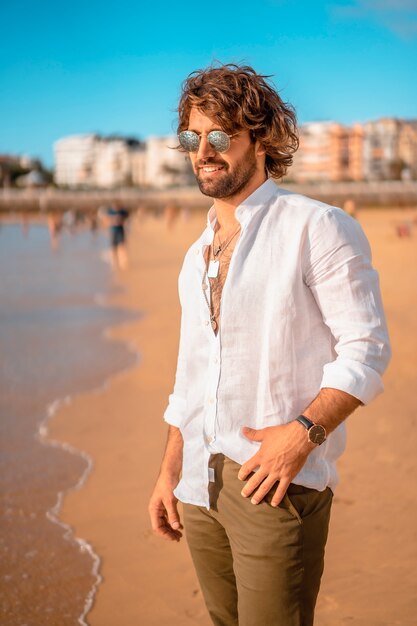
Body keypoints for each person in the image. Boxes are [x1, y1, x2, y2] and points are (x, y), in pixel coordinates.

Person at [148, 64, 391, 626]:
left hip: (274, 480)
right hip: (199, 484)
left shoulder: (317, 226)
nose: (202, 151)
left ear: (260, 137)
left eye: (219, 135)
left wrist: (301, 437)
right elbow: (192, 376)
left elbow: (367, 347)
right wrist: (169, 471)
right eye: (191, 137)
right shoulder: (196, 254)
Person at [106, 200, 129, 268]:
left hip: (120, 230)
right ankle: (114, 262)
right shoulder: (110, 211)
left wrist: (122, 221)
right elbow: (106, 219)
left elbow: (126, 217)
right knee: (113, 247)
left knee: (122, 246)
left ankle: (123, 262)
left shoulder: (122, 211)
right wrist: (110, 223)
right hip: (112, 230)